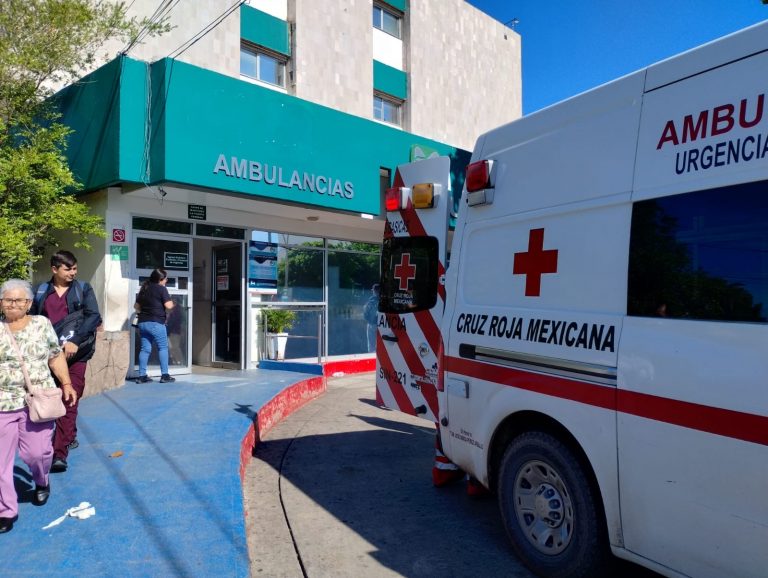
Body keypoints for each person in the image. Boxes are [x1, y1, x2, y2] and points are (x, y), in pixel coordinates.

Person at [0, 279, 77, 534]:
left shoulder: (41, 325)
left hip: (38, 399)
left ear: (29, 303)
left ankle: (41, 480)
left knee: (37, 454)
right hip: (4, 401)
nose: (12, 304)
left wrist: (66, 383)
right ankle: (6, 510)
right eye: (7, 300)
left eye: (18, 300)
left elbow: (55, 356)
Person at [31, 250, 101, 474]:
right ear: (55, 269)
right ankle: (68, 435)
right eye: (68, 269)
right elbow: (32, 320)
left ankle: (59, 453)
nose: (73, 272)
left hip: (76, 355)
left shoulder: (83, 289)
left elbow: (93, 316)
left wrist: (76, 341)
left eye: (75, 268)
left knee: (70, 398)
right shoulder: (41, 291)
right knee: (48, 400)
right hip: (48, 357)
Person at [134, 268, 175, 383]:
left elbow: (136, 307)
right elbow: (169, 306)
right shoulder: (161, 289)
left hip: (142, 323)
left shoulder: (144, 288)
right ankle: (165, 375)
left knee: (145, 349)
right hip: (156, 323)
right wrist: (172, 302)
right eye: (166, 278)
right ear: (160, 279)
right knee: (163, 347)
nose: (167, 280)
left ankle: (142, 376)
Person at [363, 283, 380, 353]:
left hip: (371, 324)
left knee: (371, 345)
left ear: (374, 291)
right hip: (381, 325)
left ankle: (372, 358)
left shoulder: (371, 300)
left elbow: (365, 312)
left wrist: (367, 320)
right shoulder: (384, 300)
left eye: (373, 290)